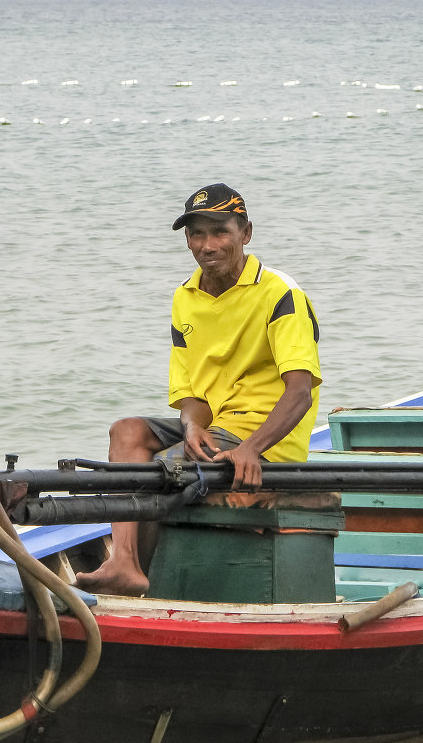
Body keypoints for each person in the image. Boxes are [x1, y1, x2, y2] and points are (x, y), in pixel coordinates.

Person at [75, 183, 322, 596]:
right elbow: (192, 394)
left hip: (262, 435)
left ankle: (140, 581)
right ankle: (123, 562)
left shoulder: (281, 293)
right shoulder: (184, 297)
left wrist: (252, 448)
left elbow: (300, 391)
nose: (207, 245)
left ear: (245, 233)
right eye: (196, 234)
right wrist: (190, 427)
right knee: (126, 432)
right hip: (217, 424)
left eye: (220, 231)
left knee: (156, 472)